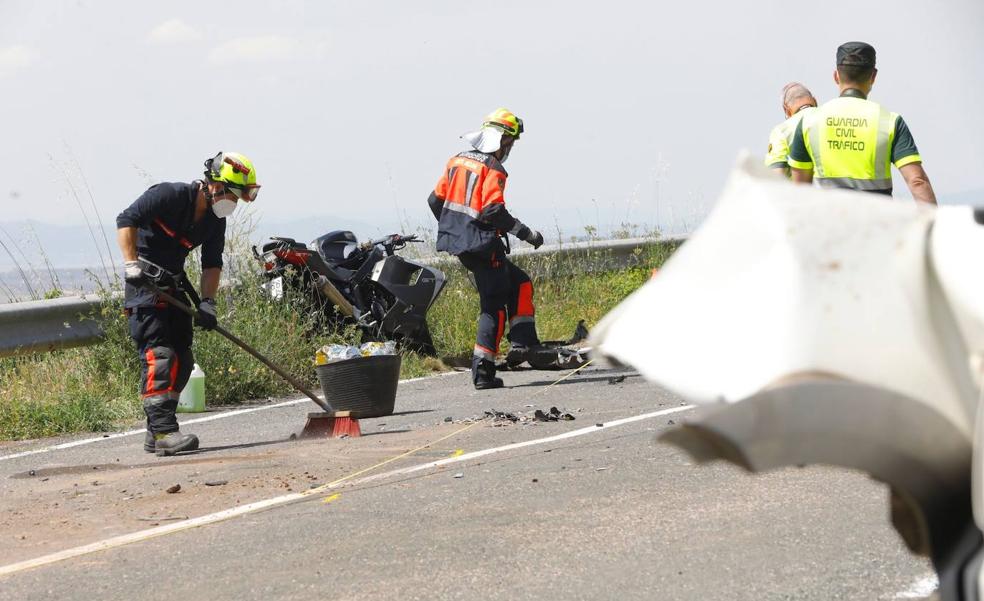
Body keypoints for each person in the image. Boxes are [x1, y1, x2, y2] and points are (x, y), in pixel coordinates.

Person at [116, 152, 260, 455]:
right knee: (160, 356)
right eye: (232, 195)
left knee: (182, 362)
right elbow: (126, 219)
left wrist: (208, 303)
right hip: (145, 287)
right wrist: (131, 264)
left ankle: (155, 428)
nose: (232, 203)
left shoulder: (214, 221)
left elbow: (211, 264)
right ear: (214, 185)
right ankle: (165, 432)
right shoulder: (169, 195)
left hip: (174, 286)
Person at [427, 108, 545, 390]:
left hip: (463, 245)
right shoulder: (493, 168)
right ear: (503, 139)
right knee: (493, 306)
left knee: (519, 282)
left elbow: (435, 200)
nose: (510, 149)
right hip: (481, 245)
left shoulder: (457, 160)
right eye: (511, 142)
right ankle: (483, 373)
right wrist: (527, 233)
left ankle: (523, 342)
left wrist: (457, 229)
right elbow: (493, 209)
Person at [787, 42, 937, 204]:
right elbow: (917, 181)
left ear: (836, 76)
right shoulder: (890, 121)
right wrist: (935, 225)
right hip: (877, 225)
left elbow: (800, 191)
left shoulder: (808, 122)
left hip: (827, 224)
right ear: (873, 76)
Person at [764, 82, 817, 177]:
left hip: (801, 191)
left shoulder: (781, 131)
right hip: (837, 189)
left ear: (786, 110)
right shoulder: (829, 119)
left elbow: (777, 174)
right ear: (815, 101)